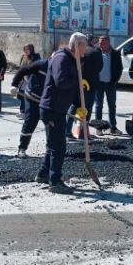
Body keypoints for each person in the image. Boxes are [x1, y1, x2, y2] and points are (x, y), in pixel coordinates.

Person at [39, 32, 88, 194]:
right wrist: (77, 81)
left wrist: (79, 105)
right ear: (76, 45)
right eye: (84, 45)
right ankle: (55, 181)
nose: (86, 48)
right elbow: (61, 82)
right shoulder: (62, 59)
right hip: (52, 109)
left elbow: (71, 89)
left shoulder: (73, 60)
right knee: (59, 147)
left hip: (57, 109)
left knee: (52, 144)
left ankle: (43, 174)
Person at [11, 56, 48, 157]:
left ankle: (51, 150)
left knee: (52, 123)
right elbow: (23, 70)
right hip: (32, 97)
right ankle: (22, 148)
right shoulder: (41, 64)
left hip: (46, 100)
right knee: (31, 121)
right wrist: (14, 84)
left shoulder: (59, 69)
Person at [66, 40, 101, 138]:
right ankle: (83, 133)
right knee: (87, 109)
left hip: (78, 83)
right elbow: (100, 67)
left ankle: (67, 130)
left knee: (73, 107)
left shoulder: (78, 52)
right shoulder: (95, 52)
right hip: (90, 85)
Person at [94, 36, 123, 135]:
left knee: (112, 106)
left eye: (103, 43)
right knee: (98, 106)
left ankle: (113, 128)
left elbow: (120, 68)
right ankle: (99, 128)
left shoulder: (115, 53)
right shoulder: (96, 52)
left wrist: (115, 80)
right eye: (100, 43)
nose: (101, 45)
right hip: (98, 84)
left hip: (111, 84)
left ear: (108, 43)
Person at [17, 44, 40, 117]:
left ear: (31, 49)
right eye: (24, 50)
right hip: (23, 79)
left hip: (31, 79)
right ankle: (22, 111)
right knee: (22, 94)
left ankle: (29, 112)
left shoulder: (36, 57)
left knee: (30, 96)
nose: (25, 51)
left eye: (27, 49)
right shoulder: (23, 57)